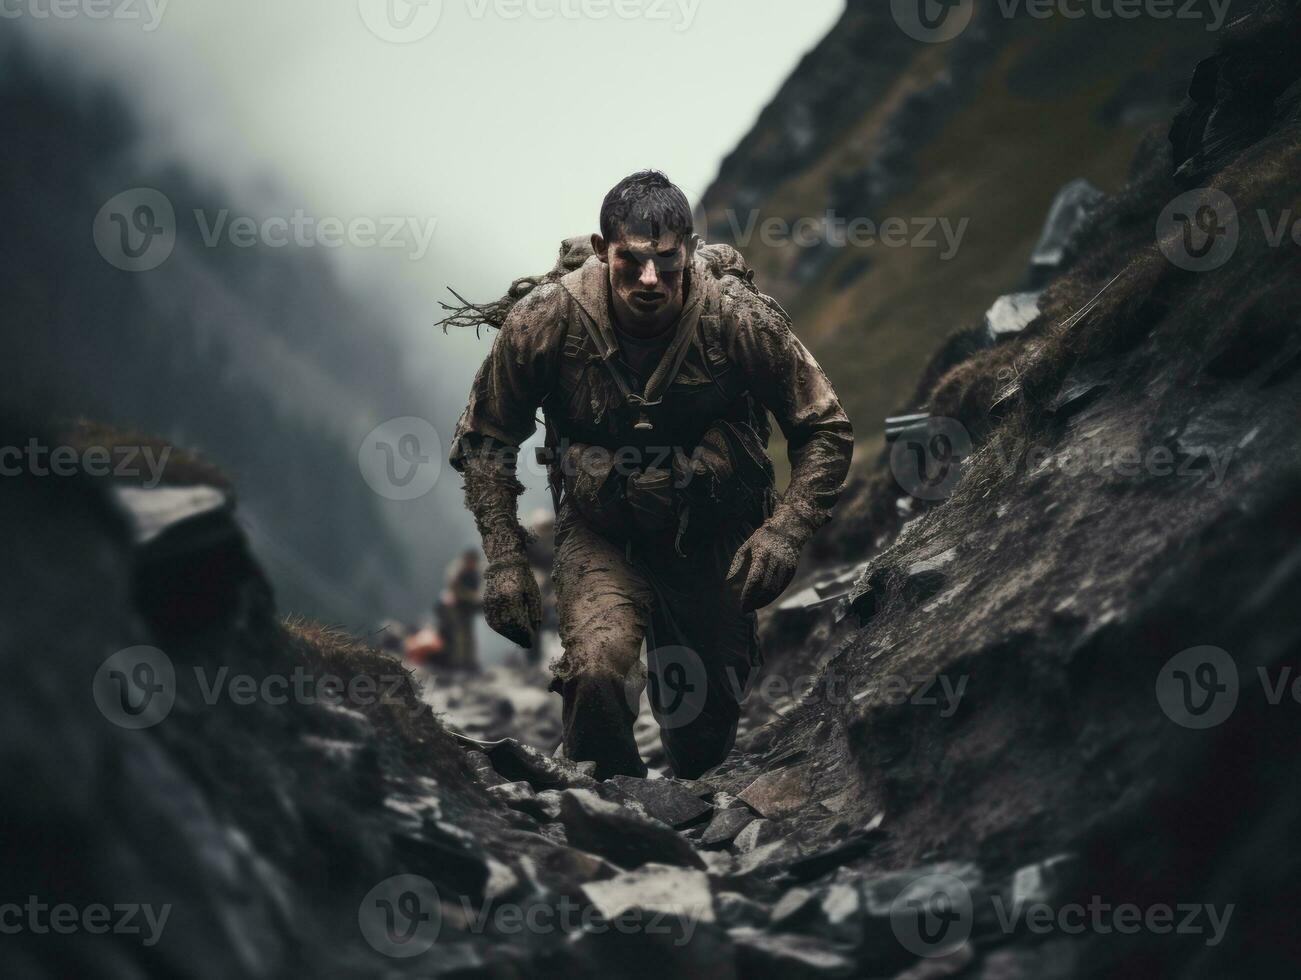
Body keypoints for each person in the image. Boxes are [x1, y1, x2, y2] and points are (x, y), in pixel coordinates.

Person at [449, 171, 852, 778]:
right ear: (600, 247)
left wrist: (784, 533)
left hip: (713, 530)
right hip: (602, 529)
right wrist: (505, 561)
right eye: (630, 261)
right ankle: (606, 811)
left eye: (667, 262)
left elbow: (824, 427)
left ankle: (687, 805)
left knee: (702, 739)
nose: (649, 281)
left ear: (689, 249)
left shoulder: (737, 319)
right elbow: (486, 439)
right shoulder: (544, 320)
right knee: (595, 672)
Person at [437, 548, 482, 671]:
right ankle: (457, 663)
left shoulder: (475, 572)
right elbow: (454, 589)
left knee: (468, 635)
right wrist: (471, 596)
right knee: (458, 635)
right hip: (455, 607)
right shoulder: (458, 570)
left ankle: (468, 662)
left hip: (467, 608)